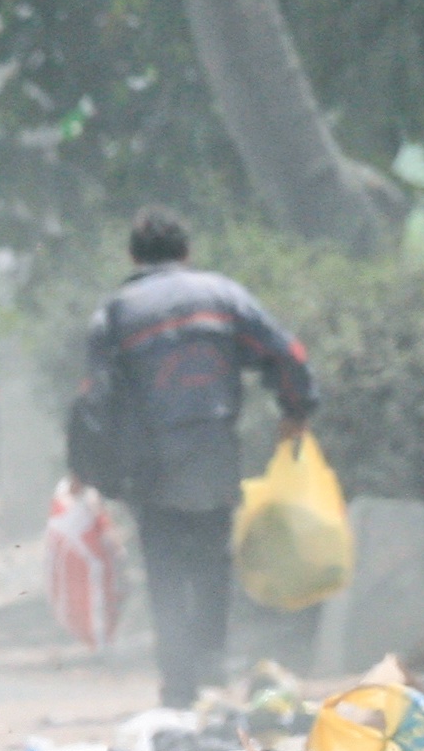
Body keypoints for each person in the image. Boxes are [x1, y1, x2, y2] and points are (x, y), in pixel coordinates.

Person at [70, 209, 317, 706]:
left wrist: (91, 469)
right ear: (186, 252)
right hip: (212, 450)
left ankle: (177, 681)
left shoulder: (116, 313)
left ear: (133, 257)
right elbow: (286, 353)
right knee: (210, 560)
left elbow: (96, 398)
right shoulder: (223, 297)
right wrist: (296, 410)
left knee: (164, 567)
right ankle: (209, 666)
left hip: (150, 465)